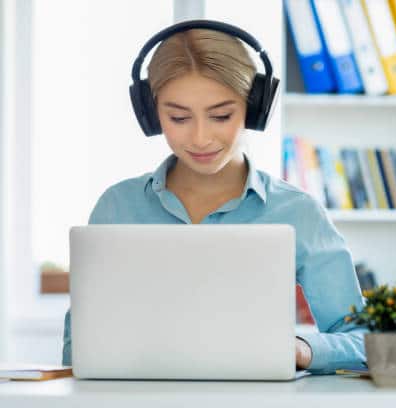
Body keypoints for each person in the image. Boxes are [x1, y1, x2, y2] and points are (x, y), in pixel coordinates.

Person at [62, 21, 366, 374]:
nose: (201, 137)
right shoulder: (117, 207)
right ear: (151, 114)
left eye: (221, 115)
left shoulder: (297, 212)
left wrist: (301, 349)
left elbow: (362, 340)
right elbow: (80, 345)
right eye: (178, 117)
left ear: (254, 107)